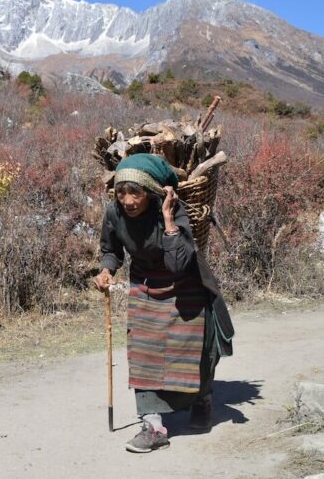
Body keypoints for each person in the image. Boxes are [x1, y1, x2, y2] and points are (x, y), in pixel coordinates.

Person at [93, 153, 234, 453]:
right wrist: (106, 270)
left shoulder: (171, 209)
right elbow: (111, 250)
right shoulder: (114, 213)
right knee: (143, 352)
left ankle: (202, 401)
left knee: (192, 351)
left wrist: (169, 221)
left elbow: (179, 262)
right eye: (121, 192)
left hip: (187, 286)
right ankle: (153, 426)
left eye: (136, 192)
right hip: (146, 287)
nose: (128, 200)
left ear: (152, 192)